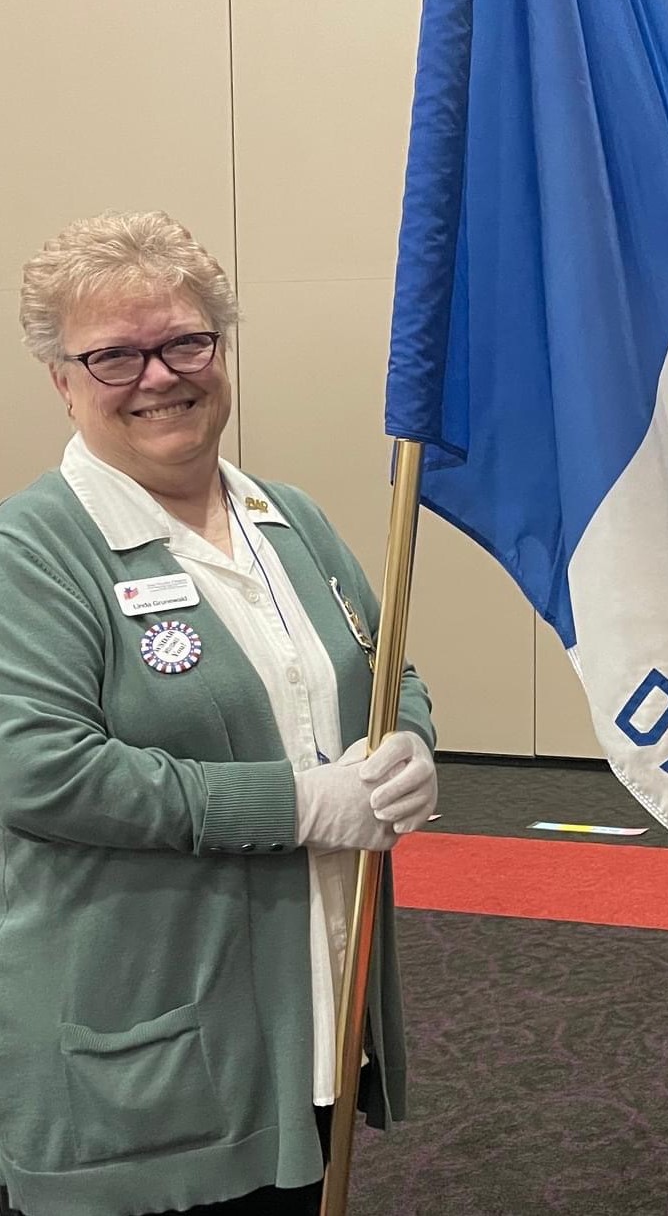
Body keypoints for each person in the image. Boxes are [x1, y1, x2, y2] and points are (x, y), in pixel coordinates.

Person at [0, 212, 440, 1216]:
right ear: (61, 380)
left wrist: (407, 735)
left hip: (309, 1016)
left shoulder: (291, 519)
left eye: (185, 341)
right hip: (145, 1057)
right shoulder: (32, 550)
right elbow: (43, 772)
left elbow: (384, 667)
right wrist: (298, 803)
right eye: (114, 354)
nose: (160, 375)